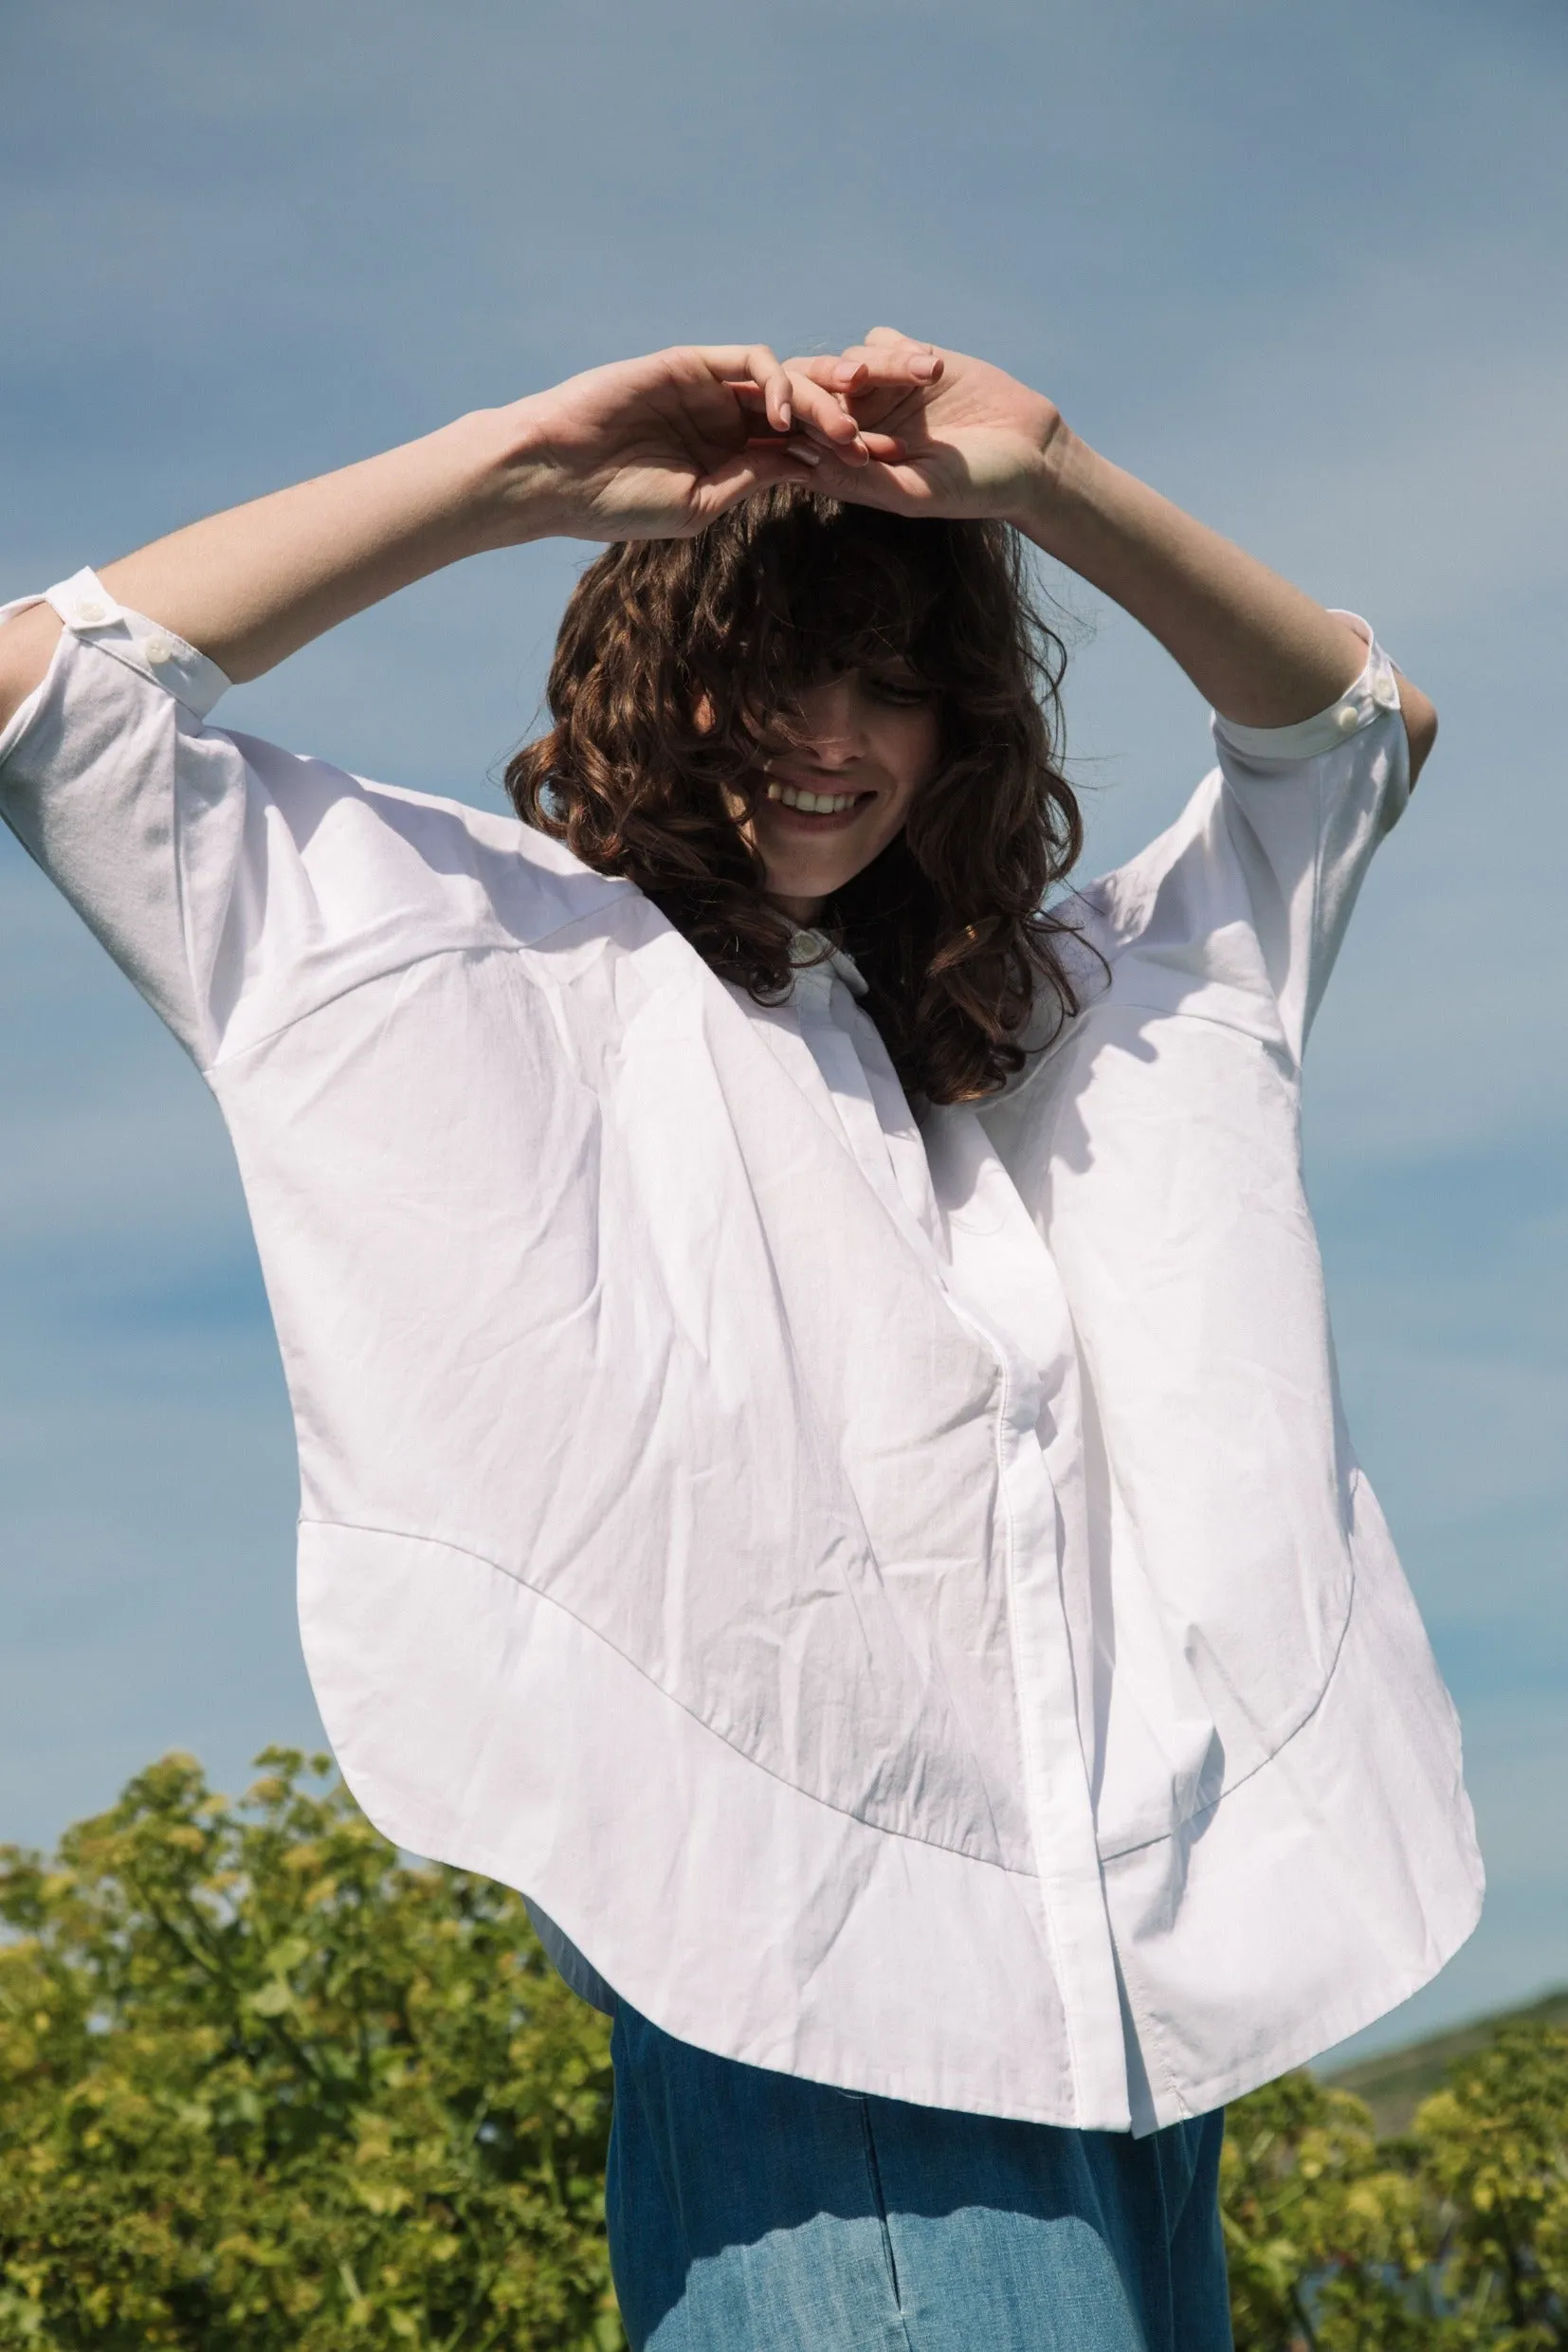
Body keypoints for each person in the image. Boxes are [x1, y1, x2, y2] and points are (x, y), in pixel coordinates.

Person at [0, 329, 1481, 2350]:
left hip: (1134, 2045)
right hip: (818, 2039)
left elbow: (1348, 724)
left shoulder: (1051, 1017)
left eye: (894, 682)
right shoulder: (482, 945)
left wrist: (1044, 480)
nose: (832, 735)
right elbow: (38, 695)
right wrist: (507, 468)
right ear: (647, 669)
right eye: (777, 665)